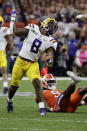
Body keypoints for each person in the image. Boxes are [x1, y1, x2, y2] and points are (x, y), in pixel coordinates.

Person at [7, 10, 58, 116]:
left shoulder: (51, 40)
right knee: (14, 86)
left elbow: (50, 52)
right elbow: (16, 32)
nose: (52, 28)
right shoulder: (32, 28)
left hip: (33, 63)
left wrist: (49, 58)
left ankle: (42, 109)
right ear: (44, 24)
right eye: (51, 25)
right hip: (20, 61)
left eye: (53, 27)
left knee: (36, 82)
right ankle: (10, 101)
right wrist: (13, 19)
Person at [0, 16, 13, 93]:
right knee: (4, 70)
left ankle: (5, 86)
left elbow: (9, 39)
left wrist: (11, 50)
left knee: (4, 69)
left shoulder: (3, 30)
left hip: (1, 52)